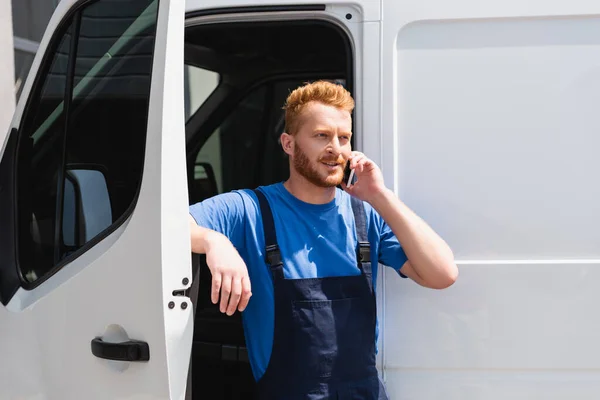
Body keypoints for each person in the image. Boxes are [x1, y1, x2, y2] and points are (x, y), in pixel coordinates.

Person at [189, 81, 458, 399]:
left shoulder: (365, 215)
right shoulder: (250, 209)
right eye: (321, 136)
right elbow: (168, 227)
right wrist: (213, 242)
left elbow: (442, 274)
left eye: (343, 138)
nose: (336, 149)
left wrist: (380, 196)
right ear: (288, 144)